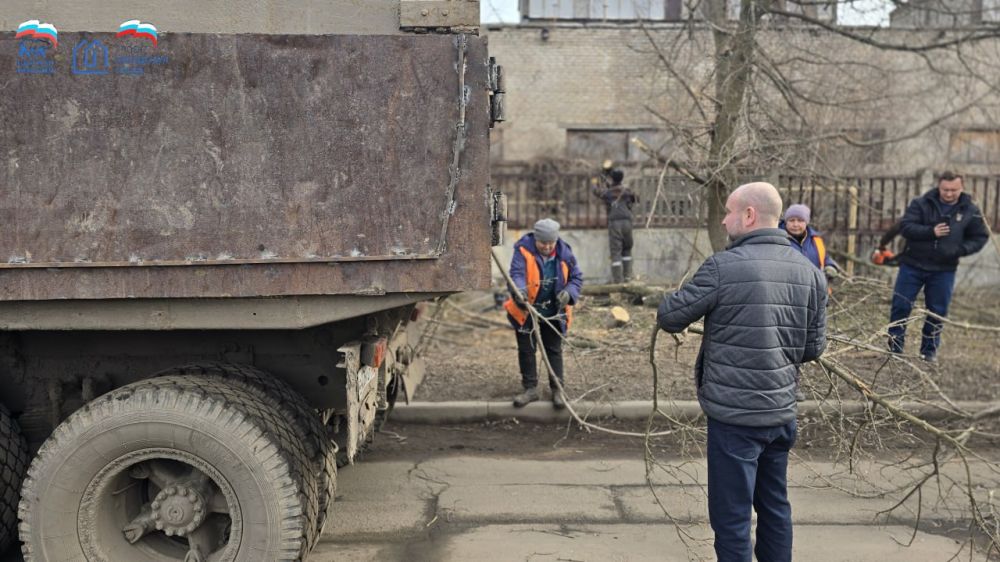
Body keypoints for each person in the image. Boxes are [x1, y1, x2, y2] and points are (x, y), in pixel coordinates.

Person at [657, 182, 828, 562]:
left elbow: (670, 317)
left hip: (734, 418)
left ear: (749, 215)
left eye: (729, 210)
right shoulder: (810, 272)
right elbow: (813, 348)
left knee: (732, 518)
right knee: (775, 507)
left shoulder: (722, 267)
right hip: (781, 413)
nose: (723, 218)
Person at [888, 171, 988, 362]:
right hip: (913, 265)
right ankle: (894, 349)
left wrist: (960, 249)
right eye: (945, 189)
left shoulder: (970, 210)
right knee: (900, 306)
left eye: (953, 190)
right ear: (938, 186)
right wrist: (930, 232)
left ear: (962, 187)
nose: (949, 194)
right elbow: (906, 227)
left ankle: (928, 352)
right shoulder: (921, 203)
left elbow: (980, 237)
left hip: (944, 269)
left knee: (937, 311)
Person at [503, 218, 584, 410]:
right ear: (536, 239)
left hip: (554, 311)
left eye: (551, 243)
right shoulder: (522, 250)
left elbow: (576, 278)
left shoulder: (565, 253)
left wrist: (569, 293)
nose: (547, 247)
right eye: (543, 243)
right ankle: (530, 389)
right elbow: (516, 274)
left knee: (553, 350)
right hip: (526, 310)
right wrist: (519, 292)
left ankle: (557, 389)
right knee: (526, 350)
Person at [592, 168, 638, 283]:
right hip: (627, 222)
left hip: (615, 223)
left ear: (612, 178)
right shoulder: (627, 191)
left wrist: (594, 182)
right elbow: (635, 199)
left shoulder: (609, 193)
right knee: (627, 249)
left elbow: (597, 192)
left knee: (616, 252)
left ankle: (618, 281)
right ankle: (628, 278)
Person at [780, 203, 840, 281]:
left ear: (806, 222)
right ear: (786, 222)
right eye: (791, 220)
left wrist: (830, 266)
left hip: (815, 289)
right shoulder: (778, 239)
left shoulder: (816, 239)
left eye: (800, 220)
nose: (795, 224)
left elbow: (824, 258)